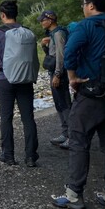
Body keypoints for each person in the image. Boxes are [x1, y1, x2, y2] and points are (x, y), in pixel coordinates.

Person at [51, 0, 105, 209]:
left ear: (91, 5)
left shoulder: (87, 26)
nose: (83, 8)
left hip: (93, 92)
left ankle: (73, 194)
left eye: (83, 4)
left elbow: (69, 54)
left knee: (78, 138)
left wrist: (73, 79)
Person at [0, 0, 39, 167]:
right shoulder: (27, 32)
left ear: (3, 15)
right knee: (28, 118)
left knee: (6, 118)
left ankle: (8, 155)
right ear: (16, 14)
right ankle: (30, 156)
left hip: (5, 80)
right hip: (25, 80)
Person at [38, 10, 71, 149]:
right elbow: (51, 54)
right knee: (59, 103)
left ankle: (71, 136)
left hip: (59, 75)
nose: (41, 23)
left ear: (50, 20)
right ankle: (65, 133)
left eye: (43, 20)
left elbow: (60, 56)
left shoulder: (58, 34)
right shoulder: (52, 34)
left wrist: (57, 74)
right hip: (54, 72)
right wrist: (44, 46)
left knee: (64, 104)